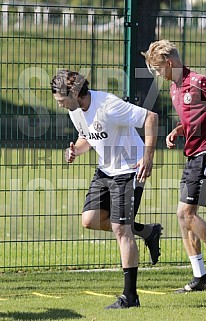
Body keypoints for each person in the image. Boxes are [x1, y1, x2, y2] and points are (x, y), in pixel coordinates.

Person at [50, 70, 161, 308]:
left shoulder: (108, 105)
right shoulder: (75, 110)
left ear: (75, 93)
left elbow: (151, 117)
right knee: (90, 220)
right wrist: (75, 151)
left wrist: (148, 157)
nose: (59, 105)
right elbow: (88, 137)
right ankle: (148, 232)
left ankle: (130, 297)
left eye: (61, 100)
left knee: (121, 230)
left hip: (130, 168)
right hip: (105, 169)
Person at [142, 40, 206, 293]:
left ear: (169, 63)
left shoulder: (199, 81)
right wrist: (178, 130)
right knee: (182, 216)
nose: (157, 75)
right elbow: (193, 116)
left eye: (157, 69)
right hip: (193, 154)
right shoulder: (175, 89)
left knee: (186, 214)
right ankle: (199, 276)